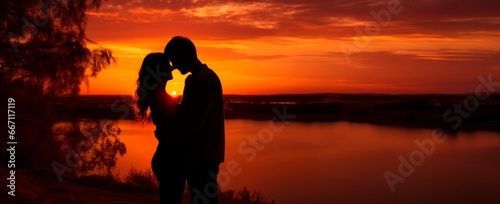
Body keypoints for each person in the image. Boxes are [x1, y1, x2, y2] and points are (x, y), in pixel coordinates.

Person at [162, 36, 225, 204]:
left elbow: (196, 123)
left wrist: (168, 135)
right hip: (197, 154)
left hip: (203, 154)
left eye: (174, 60)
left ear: (185, 55)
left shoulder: (205, 80)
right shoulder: (194, 79)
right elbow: (184, 113)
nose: (173, 67)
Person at [134, 52, 186, 204]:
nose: (172, 69)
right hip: (170, 160)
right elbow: (182, 123)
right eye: (167, 66)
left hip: (167, 157)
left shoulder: (159, 94)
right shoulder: (160, 97)